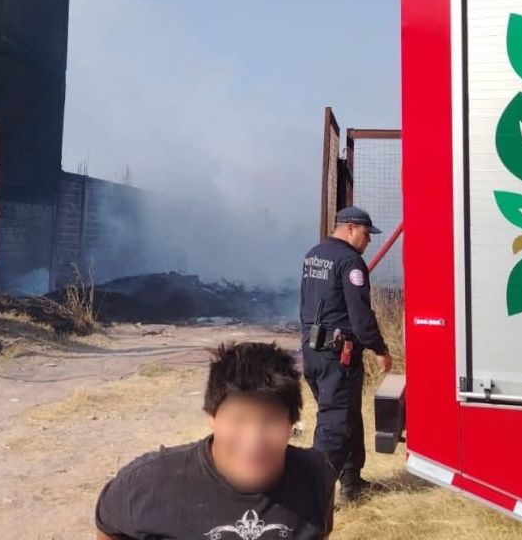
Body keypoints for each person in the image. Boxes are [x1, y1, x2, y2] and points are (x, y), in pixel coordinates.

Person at [95, 342, 335, 540]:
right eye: (238, 419)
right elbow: (109, 525)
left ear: (289, 425)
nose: (254, 439)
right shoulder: (149, 484)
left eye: (270, 420)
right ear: (213, 417)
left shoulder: (314, 477)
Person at [300, 206, 392, 502]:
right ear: (350, 228)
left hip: (314, 352)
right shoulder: (350, 262)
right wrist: (380, 348)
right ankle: (315, 494)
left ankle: (352, 485)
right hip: (338, 355)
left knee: (347, 415)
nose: (369, 241)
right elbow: (361, 316)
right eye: (367, 234)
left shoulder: (314, 254)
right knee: (336, 423)